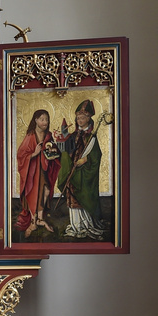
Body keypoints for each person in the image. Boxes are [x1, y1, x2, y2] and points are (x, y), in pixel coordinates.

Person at [55, 99, 104, 240]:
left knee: (83, 195)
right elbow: (66, 149)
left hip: (84, 174)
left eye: (82, 118)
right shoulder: (73, 135)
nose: (79, 120)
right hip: (73, 170)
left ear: (88, 118)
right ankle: (76, 226)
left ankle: (87, 225)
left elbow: (96, 156)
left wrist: (85, 160)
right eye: (78, 118)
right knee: (73, 196)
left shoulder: (91, 137)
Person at [16, 109, 60, 238]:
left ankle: (40, 218)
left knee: (45, 191)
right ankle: (33, 221)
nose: (45, 122)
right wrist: (34, 153)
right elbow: (21, 155)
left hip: (44, 169)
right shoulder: (30, 136)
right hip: (32, 171)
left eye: (46, 119)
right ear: (36, 120)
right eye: (42, 119)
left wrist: (52, 149)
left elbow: (54, 149)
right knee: (33, 193)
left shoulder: (48, 135)